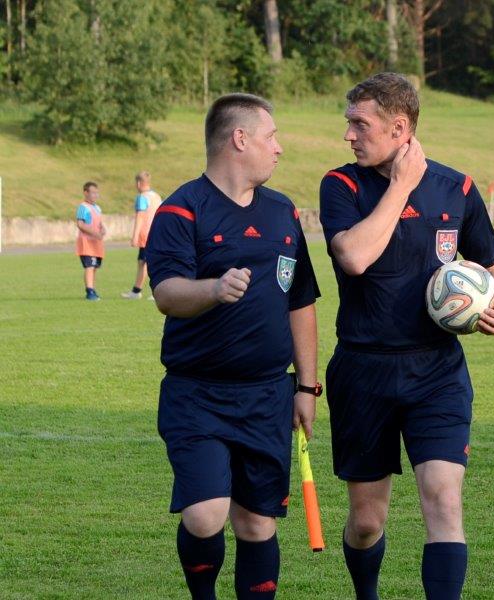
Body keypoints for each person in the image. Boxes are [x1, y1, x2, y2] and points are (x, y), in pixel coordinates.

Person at [319, 72, 494, 600]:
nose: (349, 135)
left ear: (399, 127)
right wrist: (402, 186)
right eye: (349, 124)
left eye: (360, 124)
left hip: (436, 371)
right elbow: (354, 257)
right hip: (364, 370)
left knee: (444, 501)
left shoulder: (458, 188)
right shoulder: (341, 186)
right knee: (367, 522)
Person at [146, 93, 321, 600]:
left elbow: (301, 301)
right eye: (271, 137)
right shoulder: (181, 210)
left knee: (256, 523)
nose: (279, 148)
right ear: (239, 139)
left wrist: (306, 387)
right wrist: (214, 289)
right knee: (205, 515)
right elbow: (166, 294)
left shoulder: (283, 211)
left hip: (268, 395)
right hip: (197, 394)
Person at [121, 171, 162, 300]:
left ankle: (156, 291)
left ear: (139, 183)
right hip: (157, 232)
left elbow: (140, 216)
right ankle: (136, 290)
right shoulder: (156, 196)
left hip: (146, 235)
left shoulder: (142, 197)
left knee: (148, 263)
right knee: (142, 262)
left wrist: (135, 236)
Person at [76, 181, 106, 301]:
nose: (95, 195)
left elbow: (99, 223)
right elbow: (80, 224)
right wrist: (94, 233)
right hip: (87, 242)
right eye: (93, 192)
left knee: (94, 267)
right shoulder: (83, 207)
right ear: (85, 193)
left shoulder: (97, 208)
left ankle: (93, 289)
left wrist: (102, 229)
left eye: (97, 193)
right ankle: (89, 291)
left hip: (96, 243)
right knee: (89, 266)